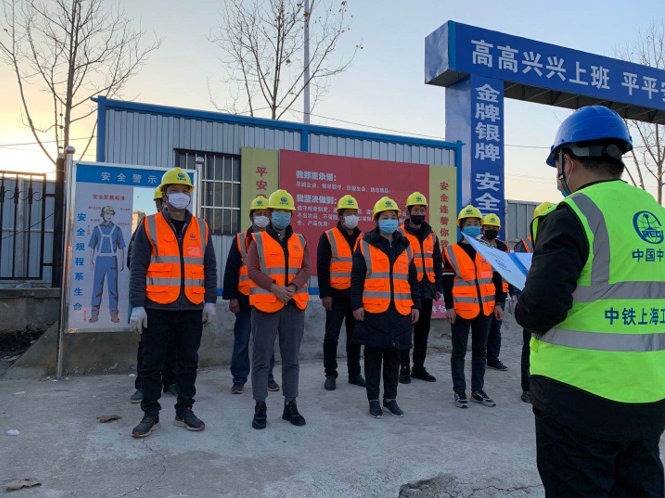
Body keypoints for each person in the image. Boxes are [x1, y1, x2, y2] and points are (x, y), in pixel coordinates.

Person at [516, 105, 665, 496]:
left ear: (566, 161)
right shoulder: (657, 214)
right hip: (649, 394)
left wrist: (523, 298)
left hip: (577, 399)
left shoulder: (572, 214)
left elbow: (540, 309)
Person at [129, 167, 217, 438]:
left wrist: (210, 301)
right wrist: (137, 305)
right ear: (165, 196)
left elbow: (209, 267)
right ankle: (151, 414)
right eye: (174, 190)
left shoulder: (201, 227)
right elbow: (138, 267)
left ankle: (184, 411)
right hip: (157, 307)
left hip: (191, 307)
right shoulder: (149, 225)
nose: (180, 195)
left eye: (184, 190)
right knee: (151, 363)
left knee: (188, 362)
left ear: (190, 195)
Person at [351, 196, 421, 419]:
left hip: (400, 309)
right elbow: (356, 278)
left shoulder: (406, 245)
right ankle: (373, 400)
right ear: (376, 220)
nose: (390, 220)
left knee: (394, 357)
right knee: (373, 358)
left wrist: (416, 305)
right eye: (385, 217)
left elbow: (413, 279)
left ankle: (390, 399)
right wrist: (356, 305)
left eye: (393, 217)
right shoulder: (365, 243)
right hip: (374, 310)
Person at [247, 189, 311, 430]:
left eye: (286, 211)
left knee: (291, 360)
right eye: (277, 211)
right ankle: (260, 405)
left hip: (293, 307)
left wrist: (293, 287)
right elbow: (252, 270)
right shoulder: (258, 240)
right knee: (261, 360)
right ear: (270, 213)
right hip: (265, 307)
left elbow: (306, 268)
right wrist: (274, 288)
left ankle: (290, 404)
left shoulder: (300, 240)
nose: (282, 215)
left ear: (291, 214)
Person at [443, 205, 504, 409]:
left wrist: (498, 303)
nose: (473, 226)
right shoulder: (451, 251)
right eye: (468, 223)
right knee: (459, 352)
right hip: (461, 309)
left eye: (476, 224)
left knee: (480, 351)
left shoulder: (489, 249)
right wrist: (449, 307)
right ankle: (459, 391)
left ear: (481, 226)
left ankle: (477, 390)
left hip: (485, 309)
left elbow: (496, 278)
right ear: (461, 226)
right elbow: (447, 282)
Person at [222, 195, 279, 395]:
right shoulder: (240, 239)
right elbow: (231, 269)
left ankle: (268, 377)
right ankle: (239, 379)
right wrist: (232, 297)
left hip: (267, 300)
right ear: (251, 216)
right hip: (245, 300)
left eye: (265, 213)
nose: (262, 217)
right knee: (242, 341)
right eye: (258, 213)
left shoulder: (275, 239)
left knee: (266, 342)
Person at [128, 186, 177, 404]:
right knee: (148, 347)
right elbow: (134, 261)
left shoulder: (181, 228)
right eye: (160, 202)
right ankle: (143, 386)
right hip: (152, 298)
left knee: (173, 344)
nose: (162, 205)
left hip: (177, 298)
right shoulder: (146, 226)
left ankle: (171, 381)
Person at [317, 194, 365, 391]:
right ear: (340, 216)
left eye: (354, 213)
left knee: (355, 337)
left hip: (356, 297)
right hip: (335, 296)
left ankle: (354, 373)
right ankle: (330, 374)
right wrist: (325, 294)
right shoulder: (328, 236)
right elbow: (322, 267)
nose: (352, 216)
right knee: (331, 336)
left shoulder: (364, 238)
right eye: (348, 213)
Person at [397, 192, 443, 384]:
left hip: (426, 288)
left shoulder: (431, 234)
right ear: (408, 212)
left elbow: (437, 261)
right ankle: (404, 368)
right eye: (416, 210)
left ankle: (418, 367)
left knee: (423, 332)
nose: (419, 213)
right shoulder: (399, 233)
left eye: (422, 210)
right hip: (406, 289)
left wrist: (438, 286)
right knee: (405, 331)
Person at [513, 201, 552, 404]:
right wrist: (517, 296)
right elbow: (515, 271)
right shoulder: (525, 245)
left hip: (554, 301)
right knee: (529, 346)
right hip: (531, 301)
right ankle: (527, 387)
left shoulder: (559, 241)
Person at [480, 213, 509, 372]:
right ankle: (480, 357)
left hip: (499, 294)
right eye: (488, 227)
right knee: (482, 329)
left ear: (499, 230)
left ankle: (493, 358)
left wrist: (510, 292)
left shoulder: (503, 247)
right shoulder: (476, 245)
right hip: (482, 293)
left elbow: (508, 270)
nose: (491, 230)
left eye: (494, 227)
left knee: (495, 329)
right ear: (482, 228)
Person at [88, 206, 126, 323]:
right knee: (97, 287)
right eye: (107, 213)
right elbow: (92, 246)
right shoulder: (97, 229)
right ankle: (94, 313)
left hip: (112, 260)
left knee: (113, 288)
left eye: (111, 214)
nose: (109, 216)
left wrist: (121, 262)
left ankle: (114, 314)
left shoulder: (117, 229)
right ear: (102, 215)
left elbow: (121, 248)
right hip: (99, 259)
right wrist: (91, 261)